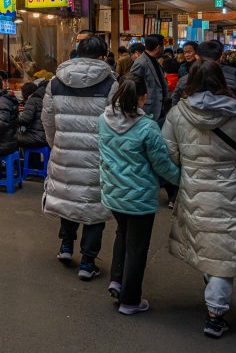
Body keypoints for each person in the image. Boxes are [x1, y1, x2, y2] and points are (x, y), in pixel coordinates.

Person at [163, 60, 236, 338]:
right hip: (233, 189)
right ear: (221, 81)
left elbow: (169, 154)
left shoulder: (177, 113)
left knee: (208, 242)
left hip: (194, 187)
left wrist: (185, 173)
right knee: (225, 247)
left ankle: (213, 298)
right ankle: (215, 315)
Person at [98, 74, 180, 315]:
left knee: (123, 234)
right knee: (137, 247)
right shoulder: (147, 127)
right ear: (142, 98)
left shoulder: (103, 120)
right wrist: (182, 180)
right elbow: (162, 165)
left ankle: (117, 280)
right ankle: (130, 300)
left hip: (113, 191)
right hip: (139, 196)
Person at [42, 35, 117, 280]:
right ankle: (87, 262)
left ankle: (65, 247)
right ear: (102, 56)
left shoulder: (55, 81)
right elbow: (115, 123)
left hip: (64, 150)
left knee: (68, 197)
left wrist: (56, 144)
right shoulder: (110, 83)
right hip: (97, 154)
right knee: (93, 207)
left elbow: (47, 119)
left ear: (77, 52)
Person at [172, 41, 236, 127]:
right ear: (221, 57)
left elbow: (175, 103)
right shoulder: (233, 76)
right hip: (228, 127)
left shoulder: (184, 81)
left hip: (191, 128)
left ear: (197, 56)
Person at [130, 34, 168, 124]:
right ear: (158, 47)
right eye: (163, 46)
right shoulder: (141, 62)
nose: (164, 48)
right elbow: (132, 85)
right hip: (148, 109)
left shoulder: (154, 60)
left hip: (159, 108)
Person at [17, 80, 48, 149]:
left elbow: (24, 120)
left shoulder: (32, 100)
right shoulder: (43, 99)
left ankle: (19, 159)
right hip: (46, 137)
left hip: (36, 137)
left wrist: (14, 117)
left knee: (11, 139)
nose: (20, 95)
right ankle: (32, 159)